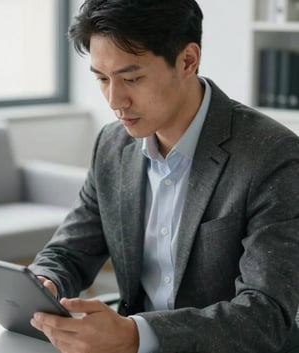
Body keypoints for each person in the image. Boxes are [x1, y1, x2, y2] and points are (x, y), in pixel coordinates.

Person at [28, 0, 299, 352]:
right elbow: (71, 250)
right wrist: (44, 280)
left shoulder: (272, 155)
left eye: (131, 78)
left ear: (188, 60)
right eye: (101, 79)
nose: (114, 100)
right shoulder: (113, 145)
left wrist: (134, 335)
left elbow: (264, 316)